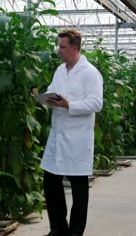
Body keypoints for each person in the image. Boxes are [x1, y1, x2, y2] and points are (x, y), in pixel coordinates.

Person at [40, 29, 103, 236]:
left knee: (78, 187)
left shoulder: (90, 73)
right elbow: (52, 88)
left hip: (77, 138)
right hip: (58, 136)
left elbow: (96, 103)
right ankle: (58, 227)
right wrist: (47, 98)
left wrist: (69, 105)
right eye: (59, 46)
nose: (58, 50)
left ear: (75, 48)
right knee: (50, 182)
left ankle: (76, 231)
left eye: (62, 46)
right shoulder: (60, 70)